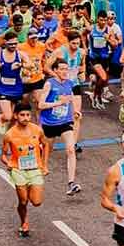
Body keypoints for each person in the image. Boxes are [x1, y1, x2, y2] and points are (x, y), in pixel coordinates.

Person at [0, 103, 49, 238]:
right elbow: (3, 155)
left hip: (35, 169)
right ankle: (24, 222)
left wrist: (44, 165)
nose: (26, 118)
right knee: (23, 201)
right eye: (22, 115)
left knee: (36, 202)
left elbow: (46, 145)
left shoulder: (37, 130)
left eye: (28, 115)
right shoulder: (9, 134)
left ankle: (26, 209)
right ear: (16, 116)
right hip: (18, 170)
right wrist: (8, 162)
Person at [37, 58, 81, 197]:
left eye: (66, 69)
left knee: (70, 149)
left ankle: (71, 183)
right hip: (49, 123)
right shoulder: (49, 84)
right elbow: (40, 105)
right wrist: (57, 104)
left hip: (65, 122)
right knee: (46, 151)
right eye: (61, 69)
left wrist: (75, 111)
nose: (64, 71)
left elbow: (70, 99)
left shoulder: (70, 83)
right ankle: (39, 170)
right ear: (55, 70)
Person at [0, 31, 29, 134]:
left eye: (15, 44)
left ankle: (10, 136)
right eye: (11, 44)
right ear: (5, 42)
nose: (13, 46)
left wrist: (21, 65)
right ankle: (1, 117)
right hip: (3, 88)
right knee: (8, 116)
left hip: (17, 88)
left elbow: (31, 66)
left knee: (13, 118)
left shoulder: (20, 54)